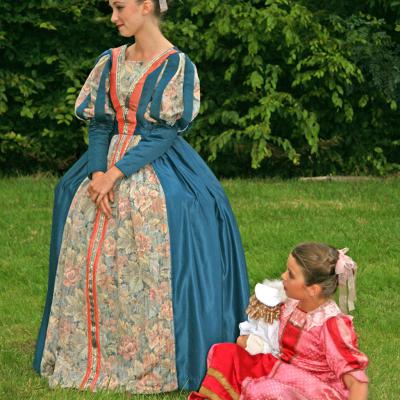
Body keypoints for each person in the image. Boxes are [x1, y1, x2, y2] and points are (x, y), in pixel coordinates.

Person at [33, 0, 249, 393]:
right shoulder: (110, 61)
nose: (113, 17)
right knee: (76, 205)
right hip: (104, 166)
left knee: (166, 219)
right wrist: (98, 173)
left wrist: (116, 174)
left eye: (120, 7)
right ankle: (90, 349)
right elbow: (100, 124)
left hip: (155, 164)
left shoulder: (175, 65)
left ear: (146, 6)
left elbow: (164, 134)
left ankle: (156, 354)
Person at [189, 243, 369, 400]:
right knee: (225, 354)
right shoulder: (292, 302)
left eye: (291, 274)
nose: (283, 276)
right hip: (282, 370)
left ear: (312, 289)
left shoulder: (331, 324)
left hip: (314, 390)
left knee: (264, 390)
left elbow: (357, 382)